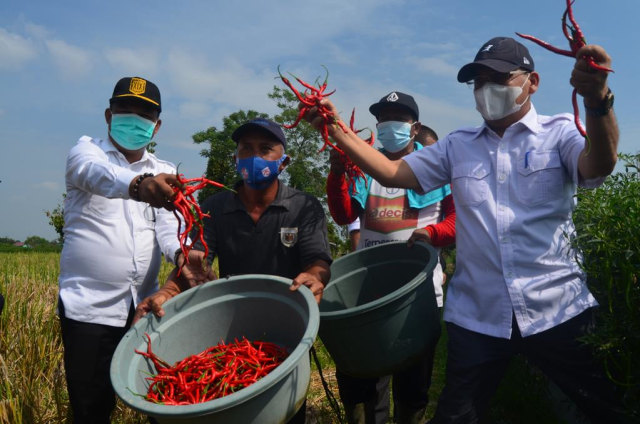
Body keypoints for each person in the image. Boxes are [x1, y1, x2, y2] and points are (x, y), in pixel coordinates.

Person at [305, 37, 630, 423]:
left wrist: (597, 100)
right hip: (479, 317)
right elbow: (391, 171)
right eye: (478, 82)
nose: (486, 89)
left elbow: (598, 165)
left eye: (498, 78)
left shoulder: (558, 133)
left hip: (558, 308)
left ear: (532, 82)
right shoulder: (457, 146)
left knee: (605, 408)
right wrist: (337, 131)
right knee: (457, 415)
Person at [134, 117, 333, 424]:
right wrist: (167, 292)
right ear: (235, 158)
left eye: (265, 149)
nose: (254, 157)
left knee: (285, 413)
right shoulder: (214, 208)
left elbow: (318, 262)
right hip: (233, 333)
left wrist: (315, 277)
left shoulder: (303, 207)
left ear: (283, 162)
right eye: (246, 149)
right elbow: (194, 264)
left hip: (289, 328)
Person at [58, 76, 211, 424]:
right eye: (124, 109)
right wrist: (140, 185)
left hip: (147, 306)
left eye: (144, 114)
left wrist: (182, 256)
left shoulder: (165, 171)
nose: (133, 119)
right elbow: (94, 174)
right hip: (89, 310)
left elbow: (169, 230)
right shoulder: (86, 152)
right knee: (91, 409)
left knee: (164, 401)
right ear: (108, 115)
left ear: (156, 126)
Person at [325, 92, 456, 424]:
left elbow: (458, 221)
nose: (389, 124)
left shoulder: (438, 166)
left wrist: (434, 233)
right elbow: (343, 214)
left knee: (413, 384)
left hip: (418, 295)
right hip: (370, 293)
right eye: (383, 118)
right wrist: (338, 175)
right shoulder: (365, 165)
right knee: (368, 380)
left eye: (398, 118)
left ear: (415, 128)